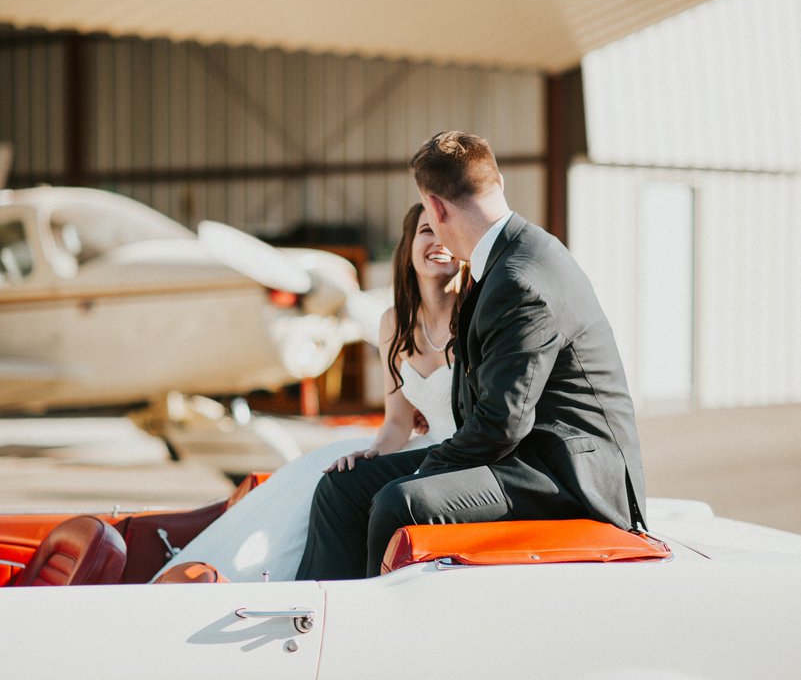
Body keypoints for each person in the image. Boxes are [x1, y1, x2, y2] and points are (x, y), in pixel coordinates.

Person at [296, 130, 646, 581]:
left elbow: (502, 423)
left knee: (400, 501)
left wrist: (422, 469)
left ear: (435, 207)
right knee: (344, 487)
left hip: (565, 474)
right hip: (525, 456)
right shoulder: (515, 252)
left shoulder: (517, 277)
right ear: (497, 182)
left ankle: (375, 619)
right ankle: (322, 604)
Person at [154, 204, 463, 582]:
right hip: (415, 444)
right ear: (409, 247)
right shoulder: (392, 323)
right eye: (426, 231)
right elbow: (398, 421)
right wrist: (372, 452)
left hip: (461, 453)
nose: (438, 242)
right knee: (314, 476)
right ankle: (252, 581)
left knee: (342, 490)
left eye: (446, 233)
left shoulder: (477, 319)